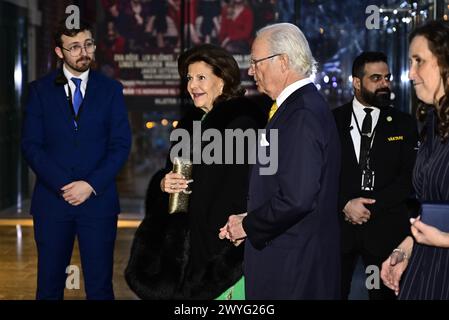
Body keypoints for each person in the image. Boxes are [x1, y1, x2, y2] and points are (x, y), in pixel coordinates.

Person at [125, 44, 265, 299]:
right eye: (190, 78)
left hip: (222, 248)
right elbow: (172, 172)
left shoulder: (242, 124)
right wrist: (163, 183)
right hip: (188, 246)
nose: (192, 85)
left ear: (222, 81)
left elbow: (245, 191)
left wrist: (235, 234)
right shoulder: (191, 123)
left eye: (201, 77)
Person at [220, 22, 341, 299]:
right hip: (293, 258)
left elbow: (297, 198)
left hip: (294, 267)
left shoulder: (301, 114)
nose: (251, 71)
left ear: (283, 61)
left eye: (255, 62)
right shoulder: (298, 107)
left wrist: (248, 225)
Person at [21, 20, 132, 299]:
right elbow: (32, 146)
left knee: (100, 287)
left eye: (88, 44)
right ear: (59, 52)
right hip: (52, 203)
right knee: (48, 287)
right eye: (74, 47)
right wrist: (64, 185)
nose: (83, 52)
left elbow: (120, 145)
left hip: (98, 202)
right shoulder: (39, 91)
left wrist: (90, 185)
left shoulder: (111, 90)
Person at [333, 52, 418, 300]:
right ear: (357, 82)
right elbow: (322, 175)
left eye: (388, 78)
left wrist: (369, 207)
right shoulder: (332, 121)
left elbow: (408, 178)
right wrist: (345, 204)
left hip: (387, 231)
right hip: (340, 231)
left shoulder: (404, 124)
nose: (385, 84)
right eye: (376, 78)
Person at [381, 20, 449, 300]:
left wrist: (443, 240)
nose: (410, 73)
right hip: (427, 267)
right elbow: (436, 207)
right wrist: (406, 247)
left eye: (419, 61)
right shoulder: (433, 123)